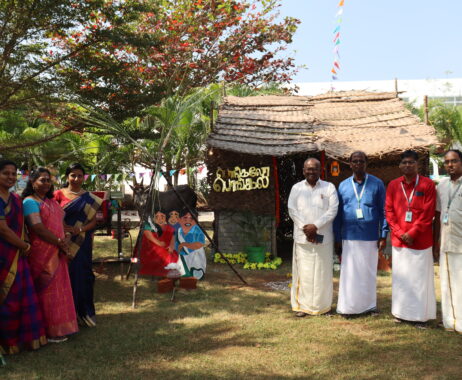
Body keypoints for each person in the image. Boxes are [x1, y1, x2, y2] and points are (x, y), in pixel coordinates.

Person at [22, 167, 78, 343]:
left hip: (58, 250)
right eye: (42, 180)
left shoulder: (52, 202)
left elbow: (62, 225)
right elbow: (37, 227)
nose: (46, 183)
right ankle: (47, 330)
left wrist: (67, 237)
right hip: (42, 252)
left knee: (60, 290)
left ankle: (61, 327)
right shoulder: (30, 202)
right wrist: (59, 242)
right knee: (46, 290)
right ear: (32, 182)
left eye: (48, 180)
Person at [385, 150, 436, 327]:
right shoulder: (393, 185)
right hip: (400, 241)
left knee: (419, 280)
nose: (408, 165)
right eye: (404, 163)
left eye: (411, 163)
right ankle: (400, 313)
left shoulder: (427, 185)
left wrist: (412, 233)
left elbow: (428, 213)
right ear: (400, 165)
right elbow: (389, 212)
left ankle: (419, 316)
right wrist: (400, 233)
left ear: (418, 165)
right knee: (401, 278)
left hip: (420, 241)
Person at [0, 160, 46, 354]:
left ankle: (21, 340)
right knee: (6, 299)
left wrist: (25, 245)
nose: (11, 177)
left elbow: (21, 227)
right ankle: (6, 342)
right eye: (5, 173)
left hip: (19, 255)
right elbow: (2, 229)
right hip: (4, 254)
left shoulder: (17, 199)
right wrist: (24, 246)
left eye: (13, 174)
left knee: (21, 297)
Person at [334, 151, 388, 316]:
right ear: (350, 164)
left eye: (361, 161)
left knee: (368, 272)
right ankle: (348, 307)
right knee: (349, 273)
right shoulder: (343, 186)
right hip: (349, 236)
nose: (358, 164)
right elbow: (337, 215)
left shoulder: (377, 184)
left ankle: (369, 306)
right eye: (355, 161)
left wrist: (383, 234)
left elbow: (384, 211)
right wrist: (337, 238)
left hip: (370, 236)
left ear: (366, 163)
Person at [288, 158, 339, 317]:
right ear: (303, 170)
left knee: (322, 273)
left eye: (315, 169)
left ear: (320, 170)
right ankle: (302, 306)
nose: (311, 172)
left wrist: (315, 226)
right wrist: (306, 228)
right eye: (308, 169)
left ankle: (323, 307)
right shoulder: (296, 188)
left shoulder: (329, 187)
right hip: (303, 238)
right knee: (304, 273)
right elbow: (292, 209)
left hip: (323, 238)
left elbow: (333, 210)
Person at [54, 163, 102, 328]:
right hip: (61, 242)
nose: (76, 179)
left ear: (84, 178)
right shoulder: (57, 195)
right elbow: (51, 216)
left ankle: (86, 312)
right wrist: (63, 233)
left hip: (81, 242)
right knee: (64, 276)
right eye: (73, 175)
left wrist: (78, 229)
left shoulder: (90, 198)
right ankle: (67, 314)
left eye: (80, 175)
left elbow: (93, 222)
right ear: (67, 176)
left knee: (83, 275)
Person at [434, 149, 462, 333]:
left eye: (454, 161)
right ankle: (449, 321)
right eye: (447, 162)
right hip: (446, 241)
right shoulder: (441, 186)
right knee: (447, 283)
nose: (450, 165)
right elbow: (437, 215)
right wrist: (435, 241)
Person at [138, 210, 179, 277]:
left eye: (162, 216)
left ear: (166, 218)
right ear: (153, 218)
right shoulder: (150, 226)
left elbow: (173, 236)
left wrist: (171, 245)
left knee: (173, 254)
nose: (160, 219)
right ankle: (166, 270)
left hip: (166, 247)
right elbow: (148, 234)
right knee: (162, 254)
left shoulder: (169, 227)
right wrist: (159, 243)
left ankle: (171, 269)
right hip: (152, 248)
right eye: (157, 217)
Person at [176, 209, 206, 279]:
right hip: (182, 255)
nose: (188, 220)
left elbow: (200, 244)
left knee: (195, 272)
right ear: (179, 219)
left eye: (192, 218)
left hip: (195, 255)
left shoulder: (198, 230)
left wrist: (185, 245)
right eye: (185, 218)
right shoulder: (179, 230)